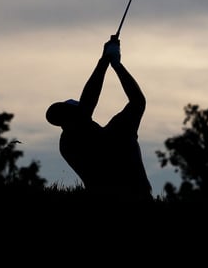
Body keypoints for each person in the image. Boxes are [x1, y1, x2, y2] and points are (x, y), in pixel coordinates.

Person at [46, 36, 152, 202]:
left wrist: (113, 63)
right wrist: (109, 62)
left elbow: (138, 101)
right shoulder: (72, 141)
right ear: (69, 117)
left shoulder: (70, 143)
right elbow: (88, 106)